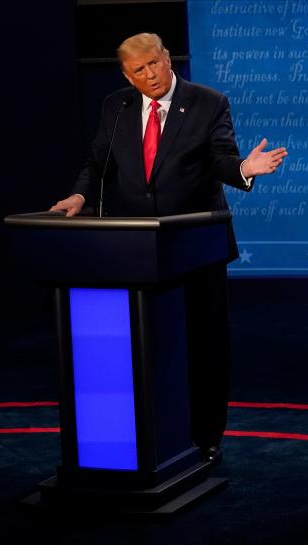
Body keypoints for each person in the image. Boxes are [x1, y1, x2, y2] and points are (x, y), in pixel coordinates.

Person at [51, 33, 288, 464]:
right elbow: (98, 162)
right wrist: (80, 197)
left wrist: (243, 169)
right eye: (138, 70)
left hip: (195, 245)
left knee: (204, 344)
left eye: (154, 64)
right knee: (145, 345)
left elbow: (220, 159)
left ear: (167, 58)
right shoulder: (116, 106)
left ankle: (207, 435)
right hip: (134, 249)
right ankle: (150, 433)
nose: (150, 75)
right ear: (127, 75)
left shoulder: (207, 102)